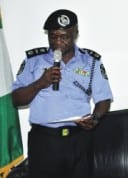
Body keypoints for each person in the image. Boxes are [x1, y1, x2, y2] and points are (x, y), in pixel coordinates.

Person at [12, 9, 113, 178]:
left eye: (64, 36)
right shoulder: (33, 60)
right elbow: (16, 99)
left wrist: (95, 118)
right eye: (53, 36)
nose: (58, 42)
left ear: (75, 33)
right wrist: (40, 83)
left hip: (79, 139)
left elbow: (104, 100)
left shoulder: (91, 61)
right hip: (44, 141)